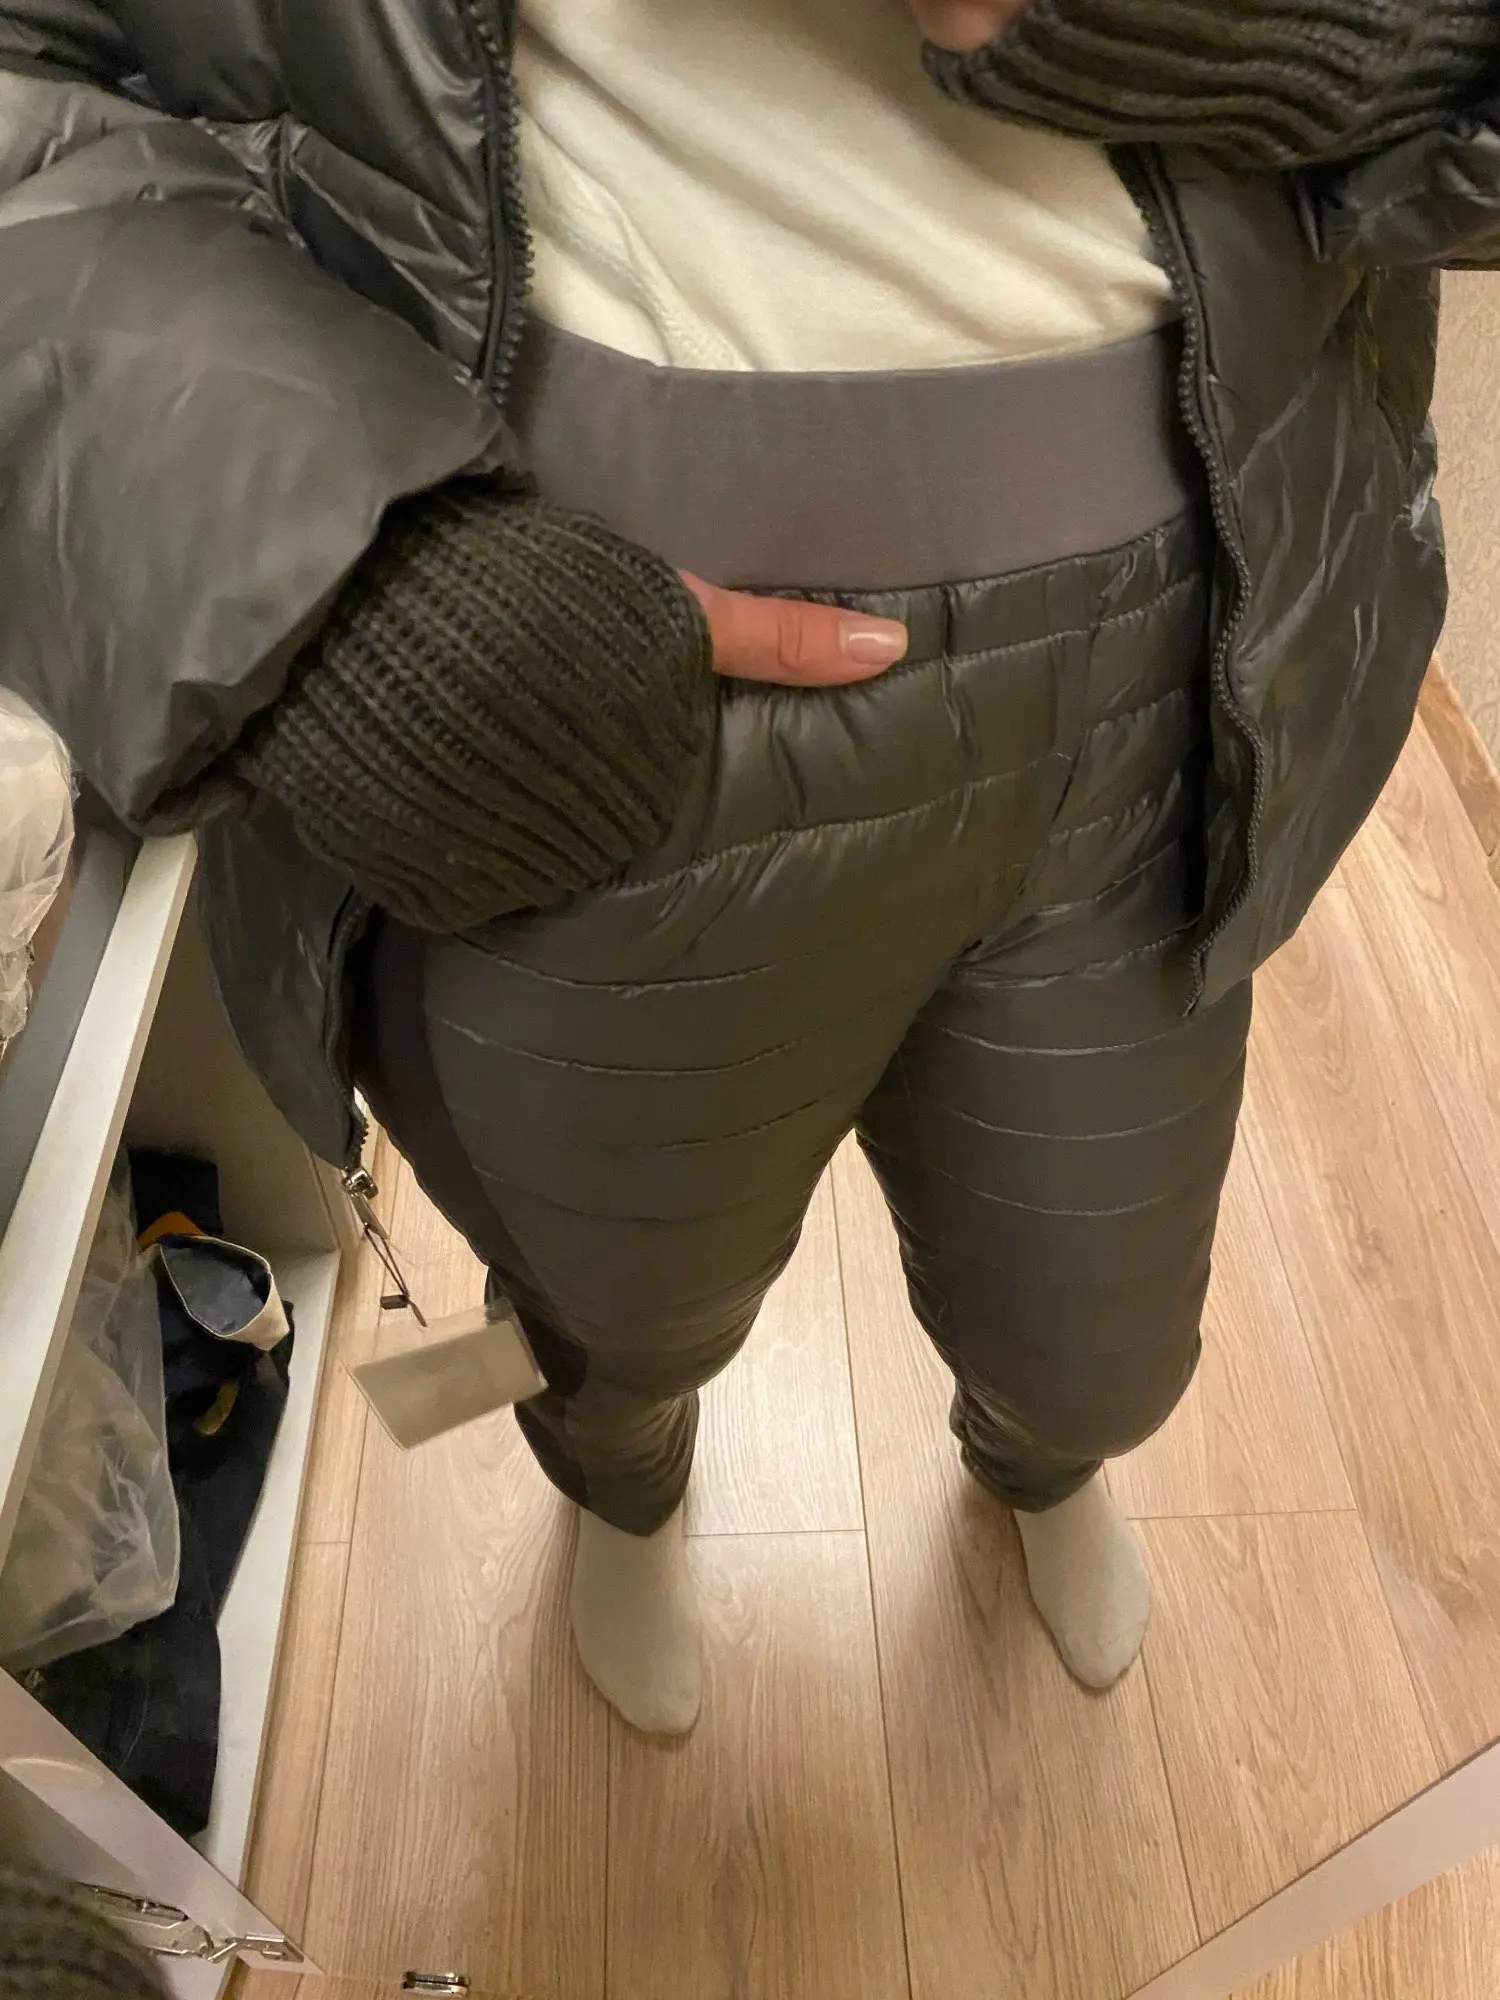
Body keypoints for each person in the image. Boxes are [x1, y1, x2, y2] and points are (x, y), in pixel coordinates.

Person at [0, 0, 1495, 1735]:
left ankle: (1043, 1458)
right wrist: (328, 570)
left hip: (1178, 649)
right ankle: (624, 1491)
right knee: (614, 1312)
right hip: (590, 676)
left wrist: (1312, 33)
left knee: (1098, 1336)